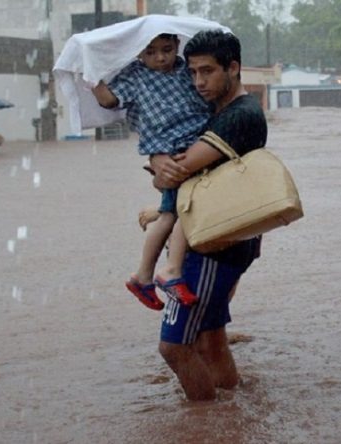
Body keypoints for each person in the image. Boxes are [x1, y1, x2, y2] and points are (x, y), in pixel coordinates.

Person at [149, 30, 267, 401]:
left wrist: (157, 161)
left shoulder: (239, 116)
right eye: (193, 72)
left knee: (174, 346)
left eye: (207, 71)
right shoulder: (221, 110)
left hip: (214, 247)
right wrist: (161, 165)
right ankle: (231, 412)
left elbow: (177, 171)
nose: (198, 81)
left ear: (233, 68)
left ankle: (204, 420)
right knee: (209, 339)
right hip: (226, 237)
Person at [92, 33, 210, 310]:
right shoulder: (135, 76)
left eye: (167, 50)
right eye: (151, 52)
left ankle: (144, 276)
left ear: (177, 46)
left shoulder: (186, 69)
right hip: (171, 152)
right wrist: (91, 76)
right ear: (138, 53)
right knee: (184, 211)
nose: (160, 58)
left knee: (171, 213)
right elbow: (109, 100)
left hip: (195, 145)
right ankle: (169, 271)